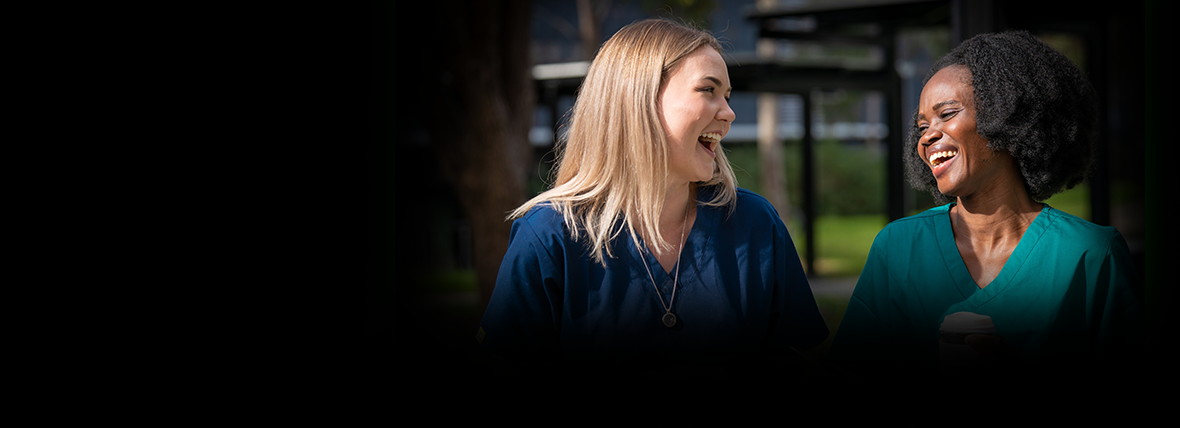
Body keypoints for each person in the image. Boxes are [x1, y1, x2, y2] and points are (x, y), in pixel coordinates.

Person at [475, 19, 828, 381]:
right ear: (638, 99)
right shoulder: (548, 235)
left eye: (727, 95)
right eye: (708, 90)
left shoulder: (755, 223)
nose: (729, 112)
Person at [828, 31, 1141, 381]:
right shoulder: (897, 248)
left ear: (1008, 116)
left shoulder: (1091, 256)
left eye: (947, 114)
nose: (927, 136)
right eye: (921, 126)